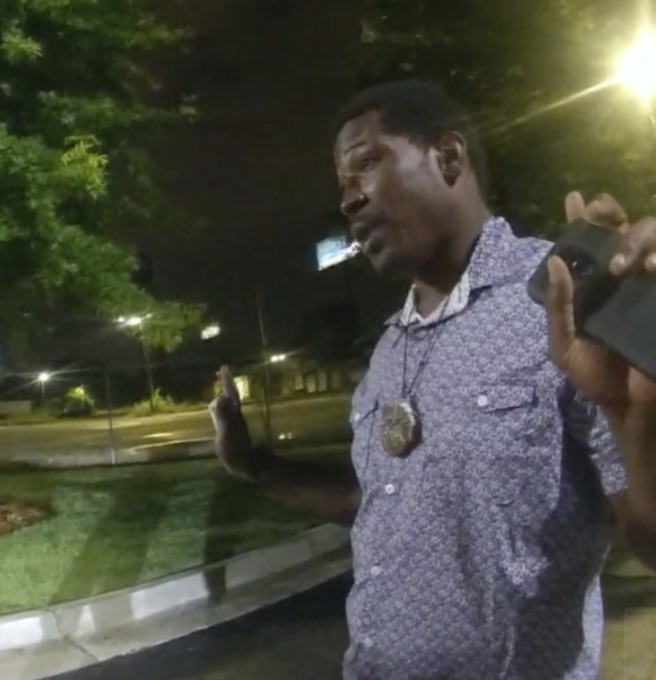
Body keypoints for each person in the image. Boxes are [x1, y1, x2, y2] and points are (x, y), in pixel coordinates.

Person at [209, 80, 656, 680]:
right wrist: (253, 465)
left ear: (447, 157)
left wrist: (637, 417)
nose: (349, 200)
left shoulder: (565, 304)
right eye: (341, 184)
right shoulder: (389, 349)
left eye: (366, 164)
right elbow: (378, 502)